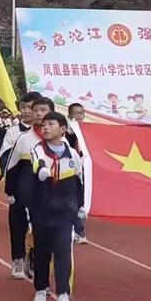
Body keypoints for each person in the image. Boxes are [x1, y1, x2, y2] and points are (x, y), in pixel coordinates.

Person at [29, 111, 84, 301]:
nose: (45, 127)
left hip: (64, 213)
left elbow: (79, 181)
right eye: (43, 124)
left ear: (63, 129)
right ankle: (41, 289)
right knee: (42, 251)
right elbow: (38, 161)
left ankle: (63, 292)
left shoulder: (73, 156)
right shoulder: (38, 149)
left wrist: (81, 206)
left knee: (63, 251)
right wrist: (43, 169)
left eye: (50, 124)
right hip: (42, 211)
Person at [3, 96, 54, 280]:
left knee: (43, 231)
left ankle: (35, 259)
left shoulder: (59, 140)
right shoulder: (22, 138)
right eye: (36, 110)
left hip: (49, 194)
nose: (39, 114)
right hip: (23, 192)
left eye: (43, 110)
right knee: (18, 227)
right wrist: (10, 190)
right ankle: (18, 258)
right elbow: (9, 165)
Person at [0, 92, 42, 179]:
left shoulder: (47, 130)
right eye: (23, 107)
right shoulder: (12, 132)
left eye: (30, 107)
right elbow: (4, 157)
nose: (25, 111)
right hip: (20, 180)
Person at [66, 103, 87, 245]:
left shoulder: (87, 131)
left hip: (83, 169)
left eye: (81, 113)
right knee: (71, 200)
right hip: (69, 170)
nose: (78, 116)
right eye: (76, 113)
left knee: (80, 200)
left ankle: (77, 227)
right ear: (70, 115)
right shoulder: (67, 132)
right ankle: (78, 230)